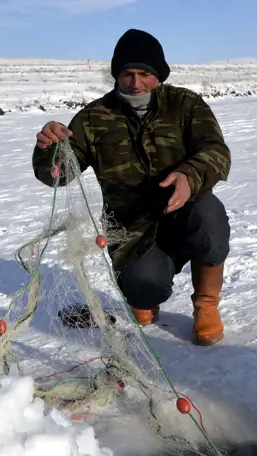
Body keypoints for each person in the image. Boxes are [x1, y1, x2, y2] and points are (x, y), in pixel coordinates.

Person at [32, 28, 232, 346]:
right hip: (131, 232)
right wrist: (49, 149)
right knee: (141, 287)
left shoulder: (185, 105)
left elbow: (217, 153)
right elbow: (59, 175)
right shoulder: (93, 117)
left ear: (158, 75)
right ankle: (144, 296)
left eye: (145, 73)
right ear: (117, 74)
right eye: (128, 73)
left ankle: (206, 306)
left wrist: (189, 176)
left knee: (210, 214)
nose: (136, 82)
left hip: (185, 213)